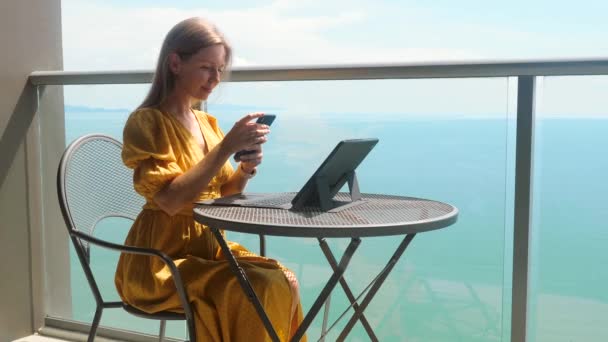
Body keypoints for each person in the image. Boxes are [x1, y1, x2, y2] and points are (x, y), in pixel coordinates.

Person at [114, 17, 305, 342]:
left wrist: (244, 168)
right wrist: (227, 146)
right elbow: (170, 201)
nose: (215, 79)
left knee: (284, 279)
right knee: (258, 287)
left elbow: (224, 194)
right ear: (175, 62)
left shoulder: (207, 122)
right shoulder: (147, 123)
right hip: (160, 260)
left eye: (220, 70)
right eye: (206, 67)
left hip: (209, 249)